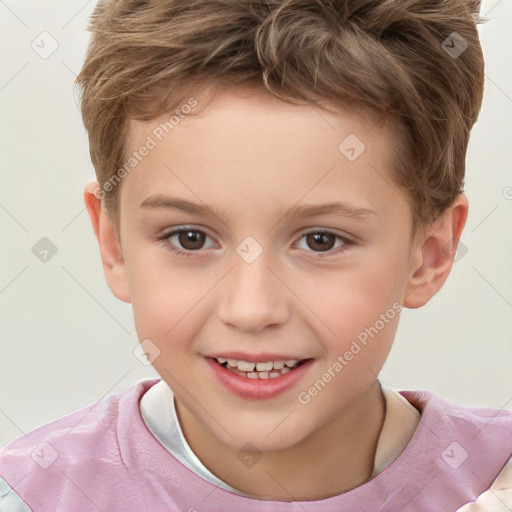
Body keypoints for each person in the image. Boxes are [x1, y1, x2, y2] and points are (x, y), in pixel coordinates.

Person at [1, 0, 510, 510]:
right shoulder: (32, 496)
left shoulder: (496, 482)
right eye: (190, 238)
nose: (251, 309)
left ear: (429, 255)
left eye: (321, 241)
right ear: (114, 246)